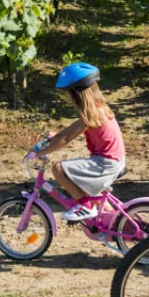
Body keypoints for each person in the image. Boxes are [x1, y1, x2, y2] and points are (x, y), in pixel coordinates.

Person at [35, 63, 126, 221]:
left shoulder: (91, 114)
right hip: (112, 160)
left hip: (105, 163)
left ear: (77, 94)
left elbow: (66, 139)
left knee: (59, 169)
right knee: (91, 192)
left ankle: (85, 206)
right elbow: (68, 132)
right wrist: (55, 136)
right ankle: (117, 223)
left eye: (69, 94)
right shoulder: (98, 109)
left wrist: (39, 153)